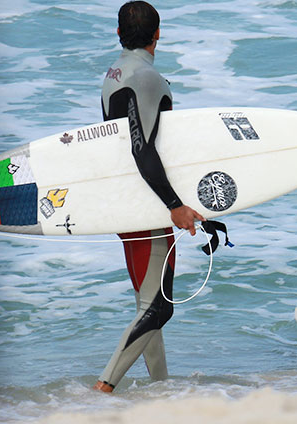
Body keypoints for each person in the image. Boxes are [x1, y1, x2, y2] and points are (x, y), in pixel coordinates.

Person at [93, 1, 205, 393]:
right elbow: (143, 148)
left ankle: (162, 389)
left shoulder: (114, 73)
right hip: (148, 203)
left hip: (127, 198)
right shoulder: (146, 77)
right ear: (159, 34)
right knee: (159, 307)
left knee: (147, 305)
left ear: (118, 33)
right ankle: (104, 387)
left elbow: (121, 142)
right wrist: (174, 204)